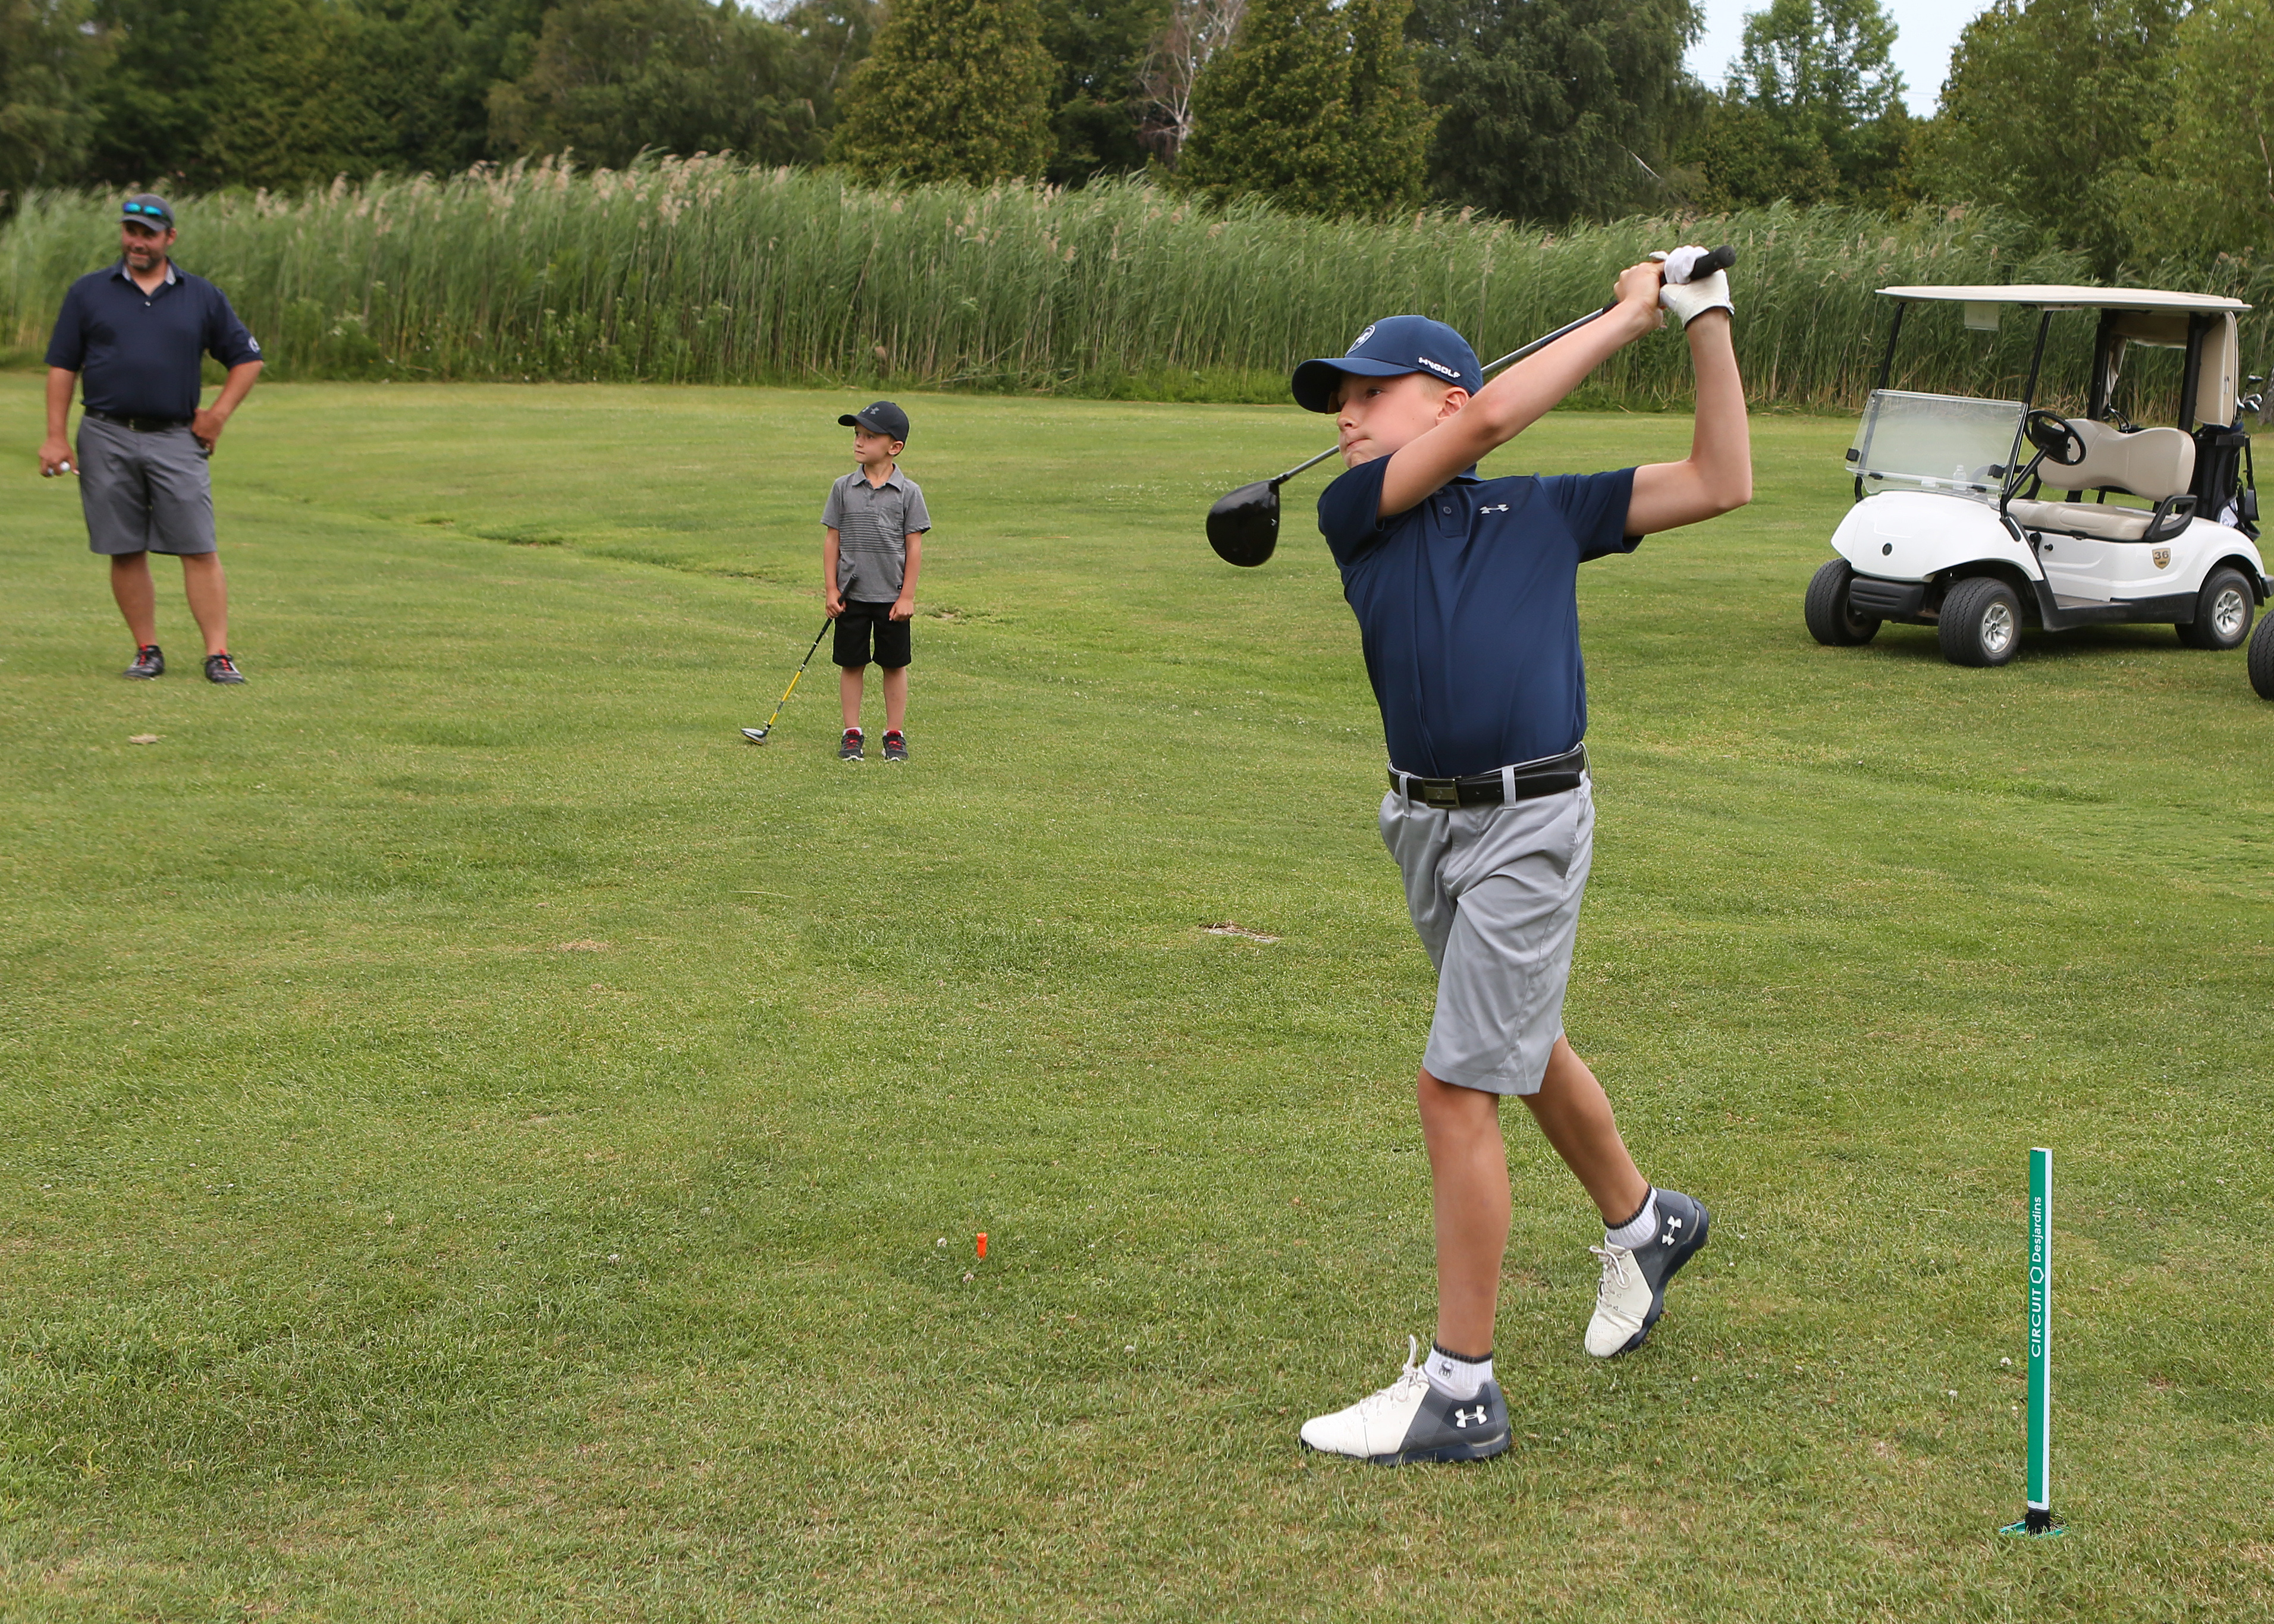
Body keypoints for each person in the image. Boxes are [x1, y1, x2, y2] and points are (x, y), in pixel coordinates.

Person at [1291, 250, 1752, 1466]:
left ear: (1438, 399)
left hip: (1529, 818)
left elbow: (1722, 480)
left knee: (1458, 1082)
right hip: (1424, 824)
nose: (1342, 413)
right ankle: (1646, 1223)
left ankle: (1461, 1391)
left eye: (1368, 391)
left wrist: (1697, 323)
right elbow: (1500, 409)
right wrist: (1622, 315)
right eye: (1338, 397)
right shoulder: (1357, 513)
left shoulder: (1546, 509)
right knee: (1515, 1037)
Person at [38, 193, 265, 684]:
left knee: (198, 546)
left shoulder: (201, 295)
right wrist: (56, 437)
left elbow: (247, 359)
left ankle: (218, 655)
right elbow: (62, 366)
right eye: (130, 231)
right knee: (124, 546)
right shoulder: (88, 292)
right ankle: (147, 650)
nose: (137, 242)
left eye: (148, 234)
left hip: (176, 437)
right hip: (105, 433)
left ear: (170, 238)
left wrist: (218, 415)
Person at [822, 401, 929, 762]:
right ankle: (852, 732)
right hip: (851, 595)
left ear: (894, 447)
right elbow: (832, 540)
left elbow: (913, 547)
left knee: (893, 664)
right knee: (852, 663)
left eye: (869, 436)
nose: (859, 442)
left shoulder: (909, 492)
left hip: (891, 598)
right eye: (857, 435)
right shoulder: (842, 488)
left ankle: (894, 733)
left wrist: (908, 596)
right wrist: (831, 590)